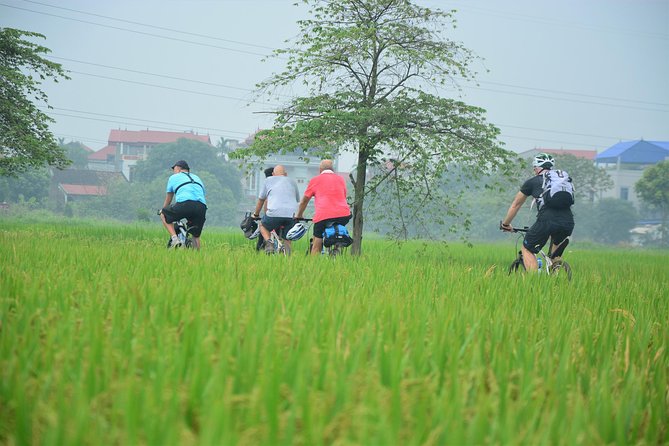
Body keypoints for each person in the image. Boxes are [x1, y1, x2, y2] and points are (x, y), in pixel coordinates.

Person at [501, 152, 574, 271]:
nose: (534, 170)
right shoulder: (561, 182)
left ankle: (534, 281)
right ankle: (555, 268)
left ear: (537, 167)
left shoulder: (532, 182)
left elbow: (516, 205)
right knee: (554, 250)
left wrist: (505, 224)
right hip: (568, 221)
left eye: (534, 168)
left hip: (546, 220)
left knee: (527, 248)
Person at [295, 159, 351, 256]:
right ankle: (337, 249)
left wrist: (299, 215)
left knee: (317, 242)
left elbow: (304, 201)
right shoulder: (341, 179)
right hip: (344, 215)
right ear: (333, 169)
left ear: (320, 170)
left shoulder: (315, 180)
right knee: (338, 231)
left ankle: (313, 266)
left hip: (323, 215)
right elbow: (343, 196)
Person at [252, 165, 300, 254]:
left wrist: (256, 214)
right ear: (286, 174)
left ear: (273, 174)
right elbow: (297, 200)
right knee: (287, 238)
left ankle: (269, 243)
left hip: (274, 214)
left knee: (262, 226)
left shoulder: (268, 180)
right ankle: (288, 258)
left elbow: (261, 200)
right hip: (291, 215)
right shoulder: (292, 182)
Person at [160, 160, 207, 249]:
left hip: (185, 204)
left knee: (164, 214)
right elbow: (201, 194)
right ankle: (197, 257)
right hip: (201, 206)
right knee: (195, 235)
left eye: (174, 169)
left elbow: (169, 198)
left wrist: (163, 210)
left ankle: (175, 239)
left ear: (178, 169)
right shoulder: (197, 177)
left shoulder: (174, 177)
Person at [254, 166, 276, 251]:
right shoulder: (284, 184)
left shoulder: (268, 184)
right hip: (287, 216)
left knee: (262, 227)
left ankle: (259, 251)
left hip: (272, 215)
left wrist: (256, 214)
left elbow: (264, 201)